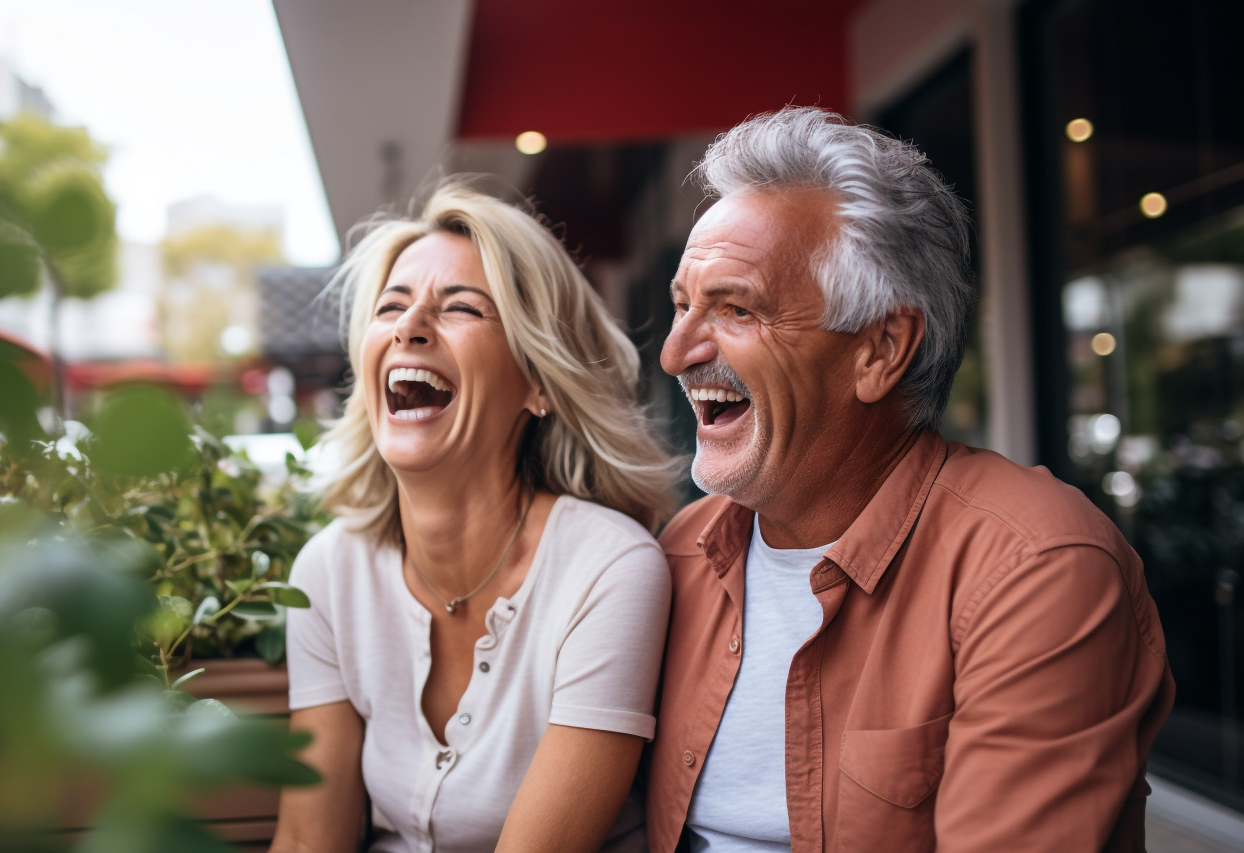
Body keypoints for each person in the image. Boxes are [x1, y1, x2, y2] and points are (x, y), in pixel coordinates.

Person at [646, 107, 1176, 852]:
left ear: (881, 350)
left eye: (736, 308)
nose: (676, 352)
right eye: (681, 305)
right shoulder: (680, 550)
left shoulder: (1037, 566)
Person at [269, 182, 683, 853]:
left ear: (538, 381)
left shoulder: (609, 570)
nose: (410, 326)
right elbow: (304, 839)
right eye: (391, 306)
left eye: (461, 306)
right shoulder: (328, 569)